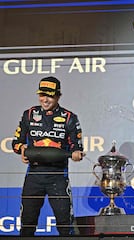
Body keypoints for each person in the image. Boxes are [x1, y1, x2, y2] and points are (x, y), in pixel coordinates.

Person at [12, 76, 84, 236]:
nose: (45, 99)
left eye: (49, 95)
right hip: (33, 176)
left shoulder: (70, 118)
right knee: (27, 224)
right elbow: (16, 142)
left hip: (57, 177)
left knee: (65, 225)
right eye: (42, 95)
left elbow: (77, 147)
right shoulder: (28, 114)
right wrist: (22, 149)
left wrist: (76, 153)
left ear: (58, 96)